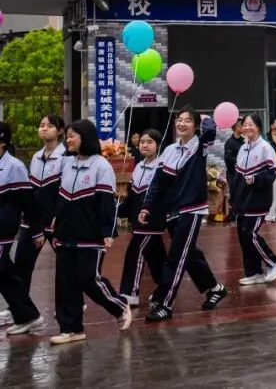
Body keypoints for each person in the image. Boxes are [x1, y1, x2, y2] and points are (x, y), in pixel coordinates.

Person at [139, 108, 228, 321]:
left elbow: (209, 131)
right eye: (179, 120)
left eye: (188, 121)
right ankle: (215, 288)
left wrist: (205, 119)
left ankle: (164, 303)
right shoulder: (168, 150)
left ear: (195, 125)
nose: (182, 124)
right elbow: (157, 182)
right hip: (172, 211)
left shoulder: (200, 146)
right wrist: (146, 206)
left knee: (177, 256)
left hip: (191, 209)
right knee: (189, 254)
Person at [50, 119, 131, 344]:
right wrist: (56, 227)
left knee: (88, 278)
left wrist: (107, 231)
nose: (68, 140)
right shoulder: (67, 163)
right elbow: (61, 198)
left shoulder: (101, 166)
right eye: (67, 136)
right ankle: (71, 329)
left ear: (84, 137)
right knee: (65, 282)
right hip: (66, 234)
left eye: (72, 136)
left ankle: (119, 306)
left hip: (91, 235)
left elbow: (106, 202)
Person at [10, 114, 66, 328]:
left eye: (50, 126)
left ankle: (73, 303)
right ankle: (19, 308)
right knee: (22, 265)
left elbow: (65, 190)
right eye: (41, 126)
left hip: (55, 221)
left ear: (60, 131)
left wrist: (58, 215)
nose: (44, 129)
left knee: (66, 266)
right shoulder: (35, 157)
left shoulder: (66, 158)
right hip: (32, 220)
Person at [0, 121, 45, 336]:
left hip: (4, 227)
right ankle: (24, 314)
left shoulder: (14, 166)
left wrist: (36, 231)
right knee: (5, 272)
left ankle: (28, 316)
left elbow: (28, 202)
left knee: (4, 271)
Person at [118, 129, 167, 307]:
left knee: (135, 252)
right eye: (142, 142)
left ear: (158, 145)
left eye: (149, 142)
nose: (144, 145)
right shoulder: (138, 166)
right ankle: (167, 288)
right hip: (137, 222)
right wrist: (117, 209)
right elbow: (132, 198)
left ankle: (130, 293)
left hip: (152, 221)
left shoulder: (162, 167)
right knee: (157, 259)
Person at [233, 114, 276, 286]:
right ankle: (254, 272)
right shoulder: (243, 147)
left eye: (250, 125)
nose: (247, 128)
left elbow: (272, 173)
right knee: (242, 236)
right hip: (243, 200)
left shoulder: (265, 147)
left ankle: (273, 262)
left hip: (258, 199)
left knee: (250, 234)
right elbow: (238, 174)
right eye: (244, 125)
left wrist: (256, 179)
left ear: (259, 127)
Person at [222, 120, 244, 221]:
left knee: (241, 194)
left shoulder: (243, 141)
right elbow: (228, 159)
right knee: (234, 194)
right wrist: (240, 161)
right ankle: (232, 215)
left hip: (242, 173)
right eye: (240, 125)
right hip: (232, 174)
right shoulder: (230, 142)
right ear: (234, 127)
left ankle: (239, 214)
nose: (243, 127)